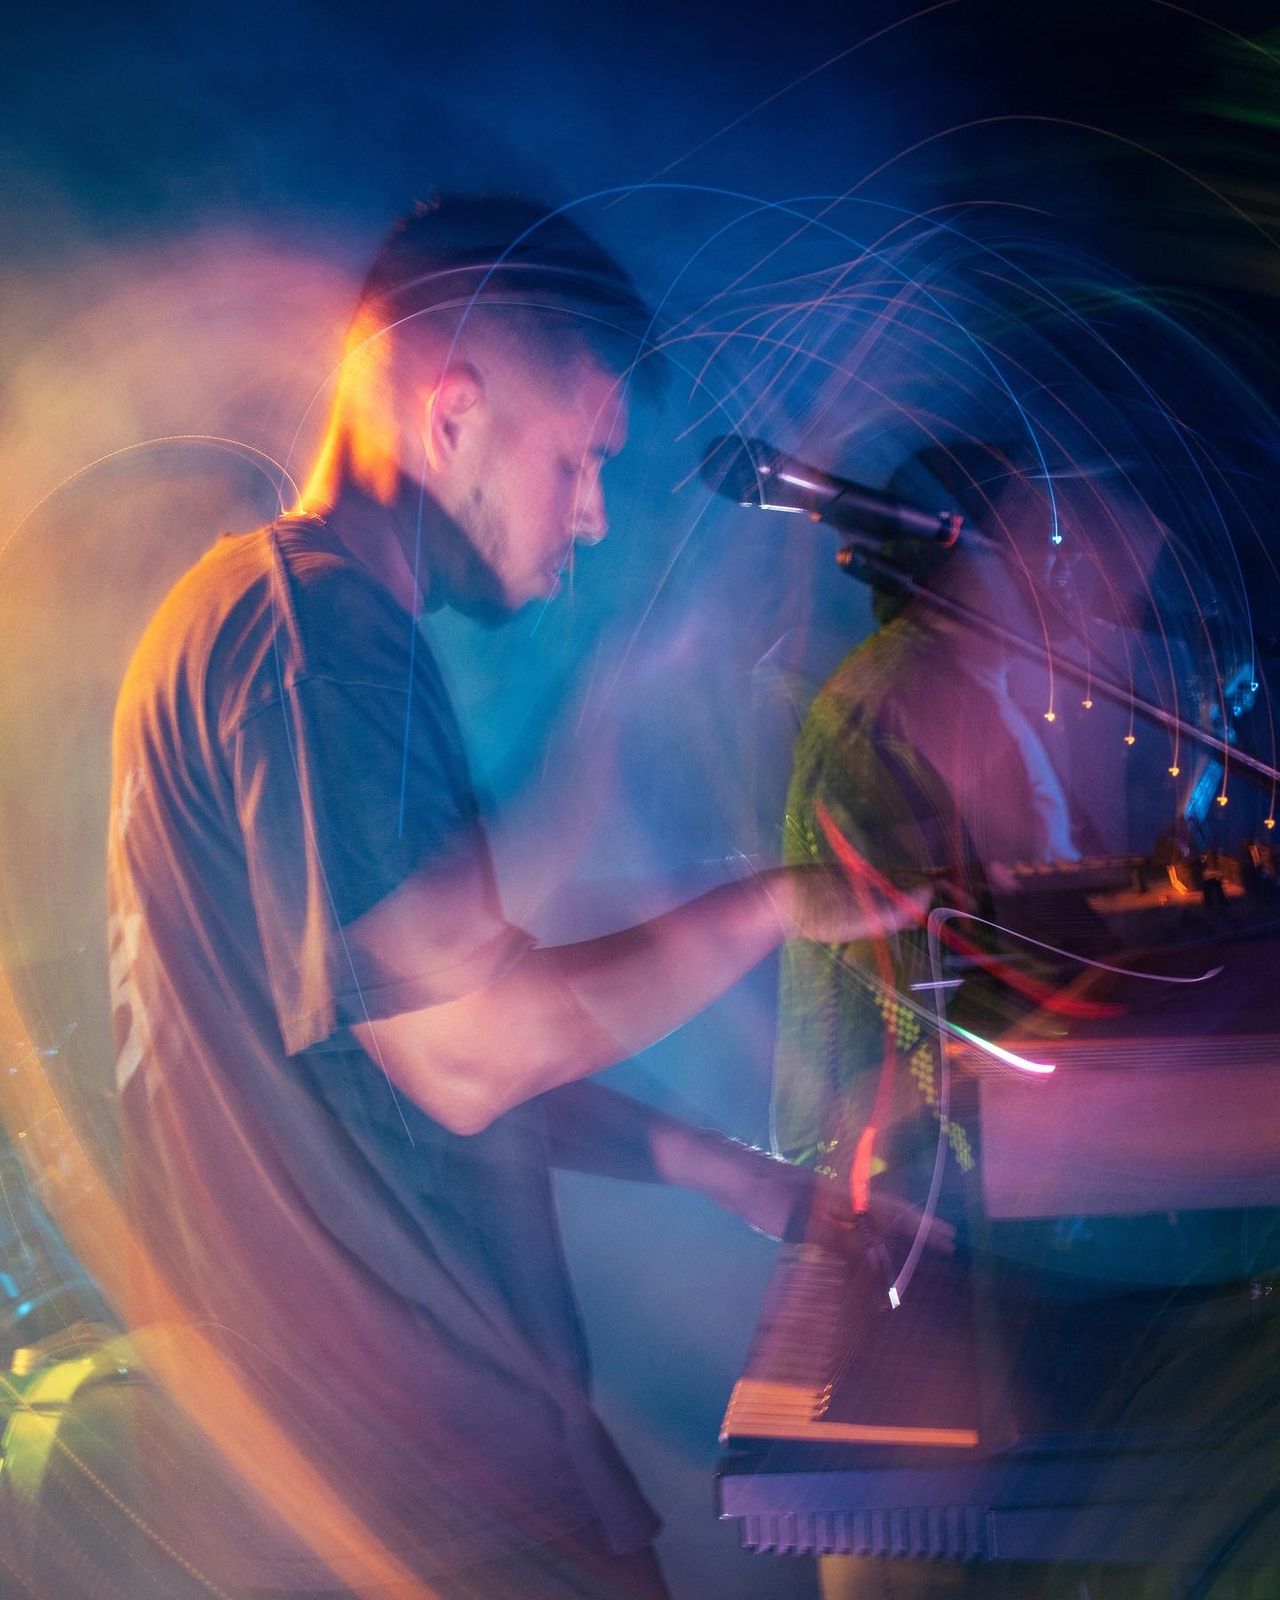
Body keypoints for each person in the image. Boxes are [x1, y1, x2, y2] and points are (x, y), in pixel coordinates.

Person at [98, 195, 912, 1600]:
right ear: (455, 409)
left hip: (409, 1482)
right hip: (415, 1499)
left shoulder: (289, 632)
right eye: (580, 460)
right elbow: (471, 1053)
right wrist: (771, 907)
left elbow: (392, 1079)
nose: (592, 514)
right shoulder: (312, 640)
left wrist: (727, 1173)